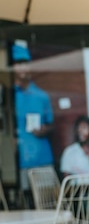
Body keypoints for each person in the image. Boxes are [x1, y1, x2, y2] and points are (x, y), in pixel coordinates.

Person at [12, 44, 55, 200]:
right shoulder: (9, 97)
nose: (22, 67)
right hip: (19, 161)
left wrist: (45, 129)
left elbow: (51, 125)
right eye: (18, 63)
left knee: (47, 201)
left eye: (25, 63)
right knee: (25, 201)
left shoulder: (41, 95)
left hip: (42, 158)